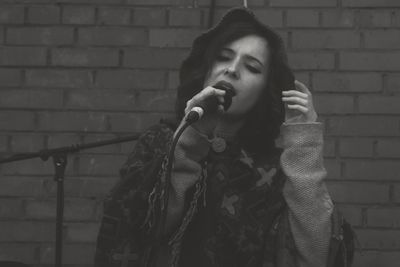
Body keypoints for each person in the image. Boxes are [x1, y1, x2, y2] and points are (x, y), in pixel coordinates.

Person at [95, 7, 353, 267]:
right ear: (206, 68)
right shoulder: (160, 142)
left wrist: (304, 144)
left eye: (252, 67)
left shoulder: (272, 170)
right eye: (223, 57)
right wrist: (191, 136)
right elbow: (140, 230)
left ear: (266, 90)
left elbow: (316, 254)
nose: (231, 70)